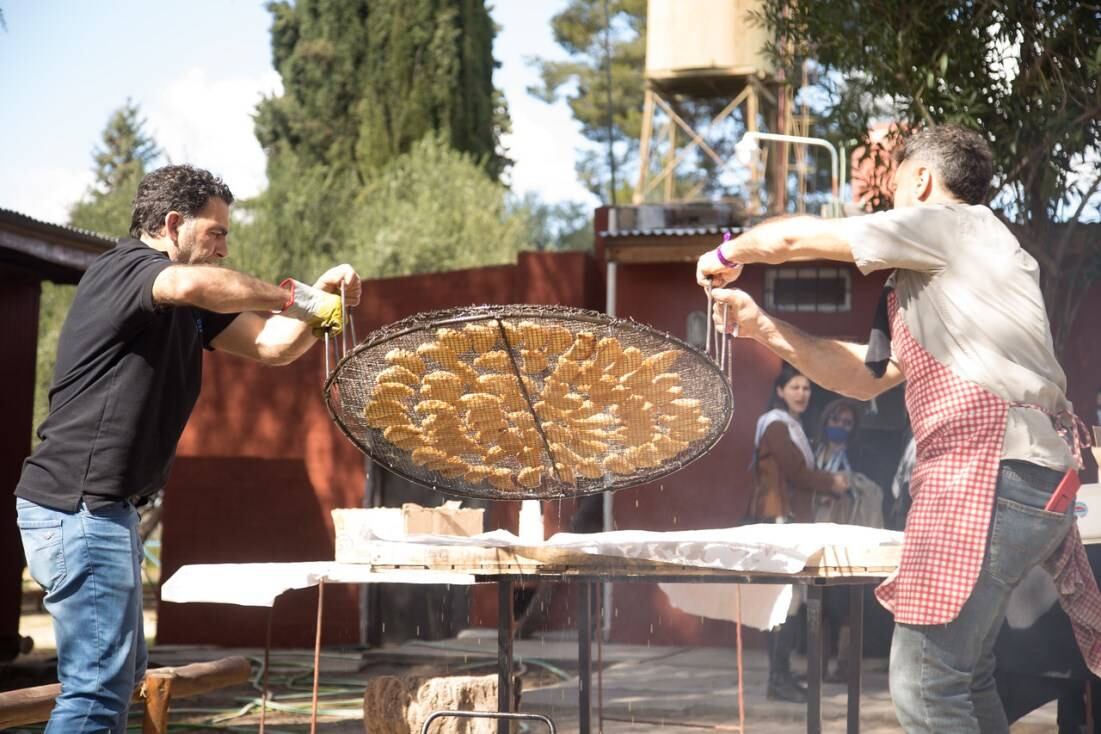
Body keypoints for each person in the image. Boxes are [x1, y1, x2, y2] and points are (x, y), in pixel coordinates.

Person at [697, 124, 1100, 733]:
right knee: (964, 678)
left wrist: (728, 253)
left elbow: (804, 236)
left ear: (920, 179)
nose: (889, 206)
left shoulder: (947, 225)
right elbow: (862, 377)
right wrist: (759, 325)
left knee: (924, 684)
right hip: (1031, 481)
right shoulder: (965, 276)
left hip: (987, 471)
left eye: (893, 188)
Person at [14, 164, 362, 733]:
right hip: (77, 507)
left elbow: (273, 347)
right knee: (98, 690)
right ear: (173, 224)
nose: (224, 249)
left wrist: (321, 301)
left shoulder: (188, 305)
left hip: (106, 510)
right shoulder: (128, 269)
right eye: (216, 233)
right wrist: (290, 296)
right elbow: (190, 284)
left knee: (116, 684)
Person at [751, 364, 849, 702]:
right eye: (794, 387)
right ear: (780, 391)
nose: (801, 394)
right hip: (779, 520)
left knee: (791, 601)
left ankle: (781, 676)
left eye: (806, 388)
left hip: (790, 520)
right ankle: (778, 679)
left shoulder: (792, 426)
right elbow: (795, 472)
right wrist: (831, 482)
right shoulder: (777, 425)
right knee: (785, 601)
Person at [811, 399, 885, 683]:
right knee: (820, 604)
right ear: (825, 421)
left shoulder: (860, 456)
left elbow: (873, 491)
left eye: (847, 423)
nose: (840, 427)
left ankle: (844, 665)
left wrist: (852, 485)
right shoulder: (812, 454)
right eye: (836, 421)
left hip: (848, 539)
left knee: (846, 606)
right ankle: (818, 665)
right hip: (816, 537)